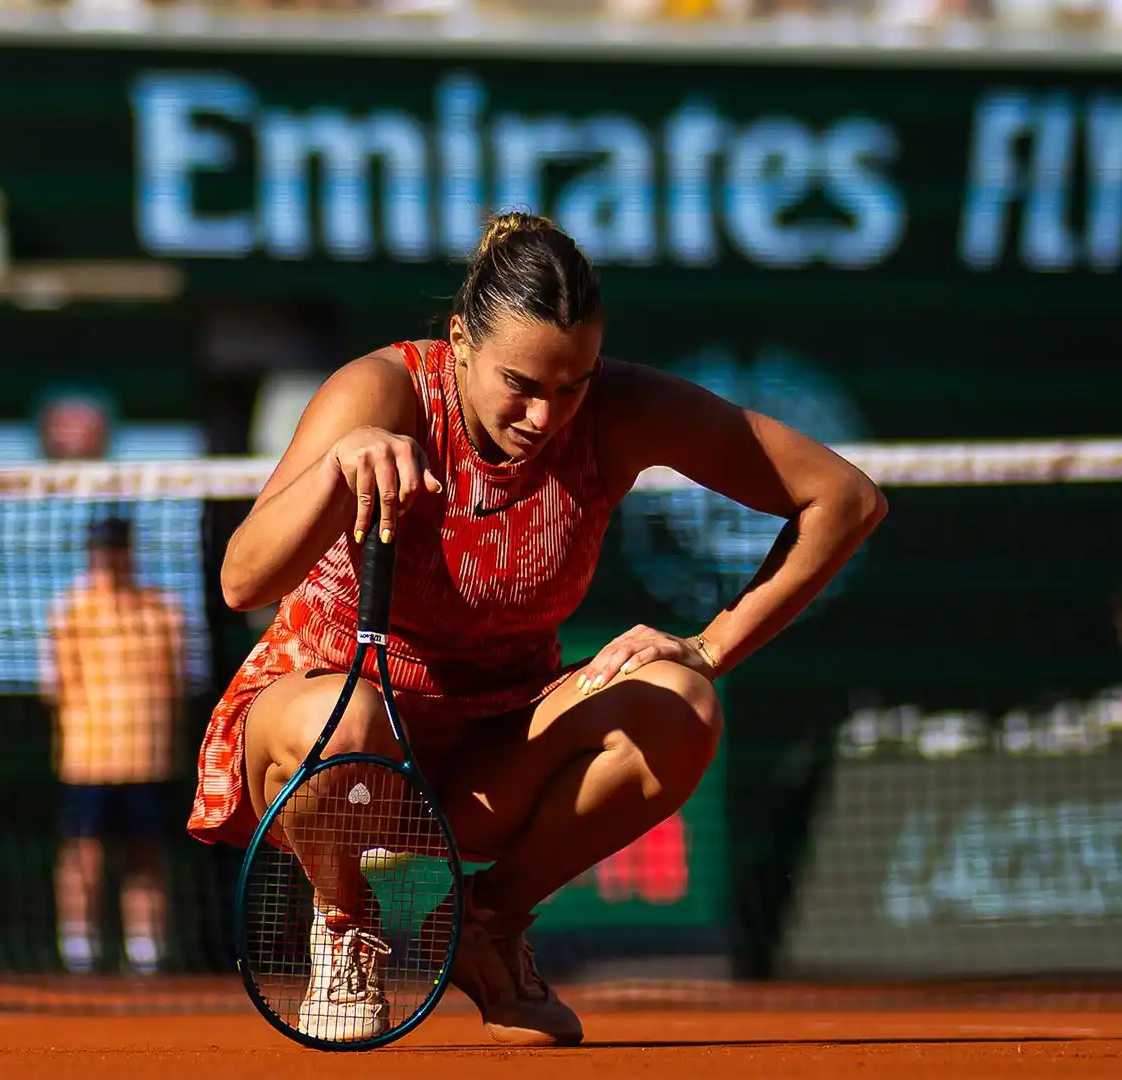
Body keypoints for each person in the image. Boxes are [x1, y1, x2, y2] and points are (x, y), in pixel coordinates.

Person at [189, 212, 887, 1045]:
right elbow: (243, 581)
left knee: (681, 703)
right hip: (335, 749)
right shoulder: (382, 391)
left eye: (573, 384)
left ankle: (486, 923)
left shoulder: (624, 411)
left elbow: (845, 500)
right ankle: (346, 931)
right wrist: (341, 470)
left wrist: (706, 647)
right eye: (521, 382)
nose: (544, 415)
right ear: (459, 342)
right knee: (339, 719)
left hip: (493, 753)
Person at [41, 516, 186, 975]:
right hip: (87, 759)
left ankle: (146, 948)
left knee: (146, 852)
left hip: (148, 758)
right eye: (103, 548)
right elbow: (54, 685)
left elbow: (176, 683)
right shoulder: (71, 611)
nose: (111, 557)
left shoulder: (163, 610)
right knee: (83, 852)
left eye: (117, 547)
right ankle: (79, 946)